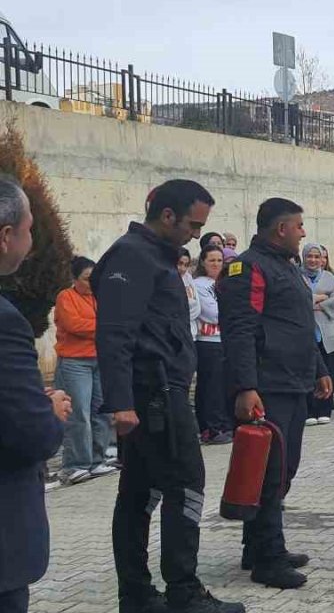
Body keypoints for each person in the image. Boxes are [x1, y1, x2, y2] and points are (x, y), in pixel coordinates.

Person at [93, 179, 243, 613]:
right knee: (185, 486)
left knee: (142, 492)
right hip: (154, 396)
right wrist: (120, 402)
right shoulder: (132, 256)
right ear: (167, 216)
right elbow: (115, 334)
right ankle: (183, 590)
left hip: (162, 392)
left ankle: (139, 595)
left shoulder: (155, 257)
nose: (197, 235)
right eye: (193, 225)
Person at [220, 198, 332, 590]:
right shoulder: (246, 267)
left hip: (293, 381)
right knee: (268, 473)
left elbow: (299, 324)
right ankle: (268, 559)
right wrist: (246, 386)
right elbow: (240, 330)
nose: (304, 232)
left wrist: (319, 369)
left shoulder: (287, 266)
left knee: (283, 469)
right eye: (298, 225)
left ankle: (258, 546)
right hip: (267, 387)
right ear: (281, 228)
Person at [0, 175, 72, 613]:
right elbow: (30, 434)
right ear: (7, 236)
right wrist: (51, 414)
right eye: (29, 230)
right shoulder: (6, 322)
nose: (31, 242)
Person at [52, 256, 117, 484]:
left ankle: (97, 460)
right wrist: (103, 327)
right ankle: (75, 465)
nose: (92, 283)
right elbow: (74, 325)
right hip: (74, 362)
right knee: (79, 413)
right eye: (87, 279)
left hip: (100, 358)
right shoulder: (65, 297)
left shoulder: (101, 297)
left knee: (102, 411)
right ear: (75, 279)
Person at [192, 246, 233, 445]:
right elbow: (212, 313)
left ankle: (224, 423)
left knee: (224, 386)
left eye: (219, 260)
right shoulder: (199, 284)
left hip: (225, 340)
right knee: (210, 387)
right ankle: (210, 427)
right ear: (203, 262)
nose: (216, 264)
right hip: (207, 342)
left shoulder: (225, 283)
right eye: (212, 260)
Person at [301, 244, 334, 426]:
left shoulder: (330, 277)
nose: (313, 260)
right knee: (307, 371)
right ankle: (309, 409)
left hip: (326, 331)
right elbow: (298, 301)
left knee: (327, 370)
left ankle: (325, 407)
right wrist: (319, 298)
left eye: (317, 256)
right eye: (310, 256)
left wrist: (314, 302)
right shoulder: (296, 275)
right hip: (305, 332)